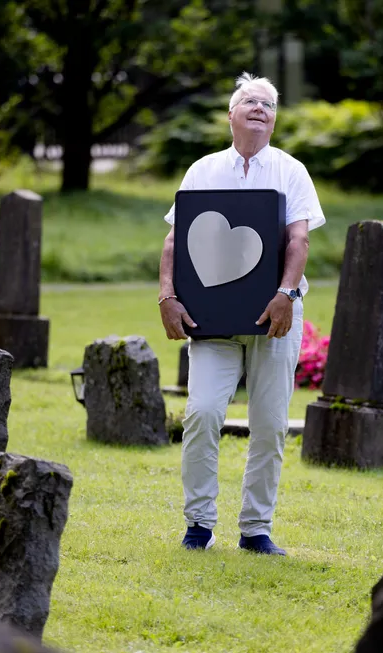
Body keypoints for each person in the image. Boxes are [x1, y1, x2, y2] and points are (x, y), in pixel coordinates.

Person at [158, 72, 326, 556]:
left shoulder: (291, 171)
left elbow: (299, 238)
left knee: (270, 424)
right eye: (249, 101)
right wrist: (167, 297)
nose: (259, 108)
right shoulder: (202, 170)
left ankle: (255, 530)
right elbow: (174, 240)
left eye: (268, 104)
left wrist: (286, 294)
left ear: (274, 121)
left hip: (275, 318)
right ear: (231, 114)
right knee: (203, 412)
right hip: (210, 318)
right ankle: (199, 524)